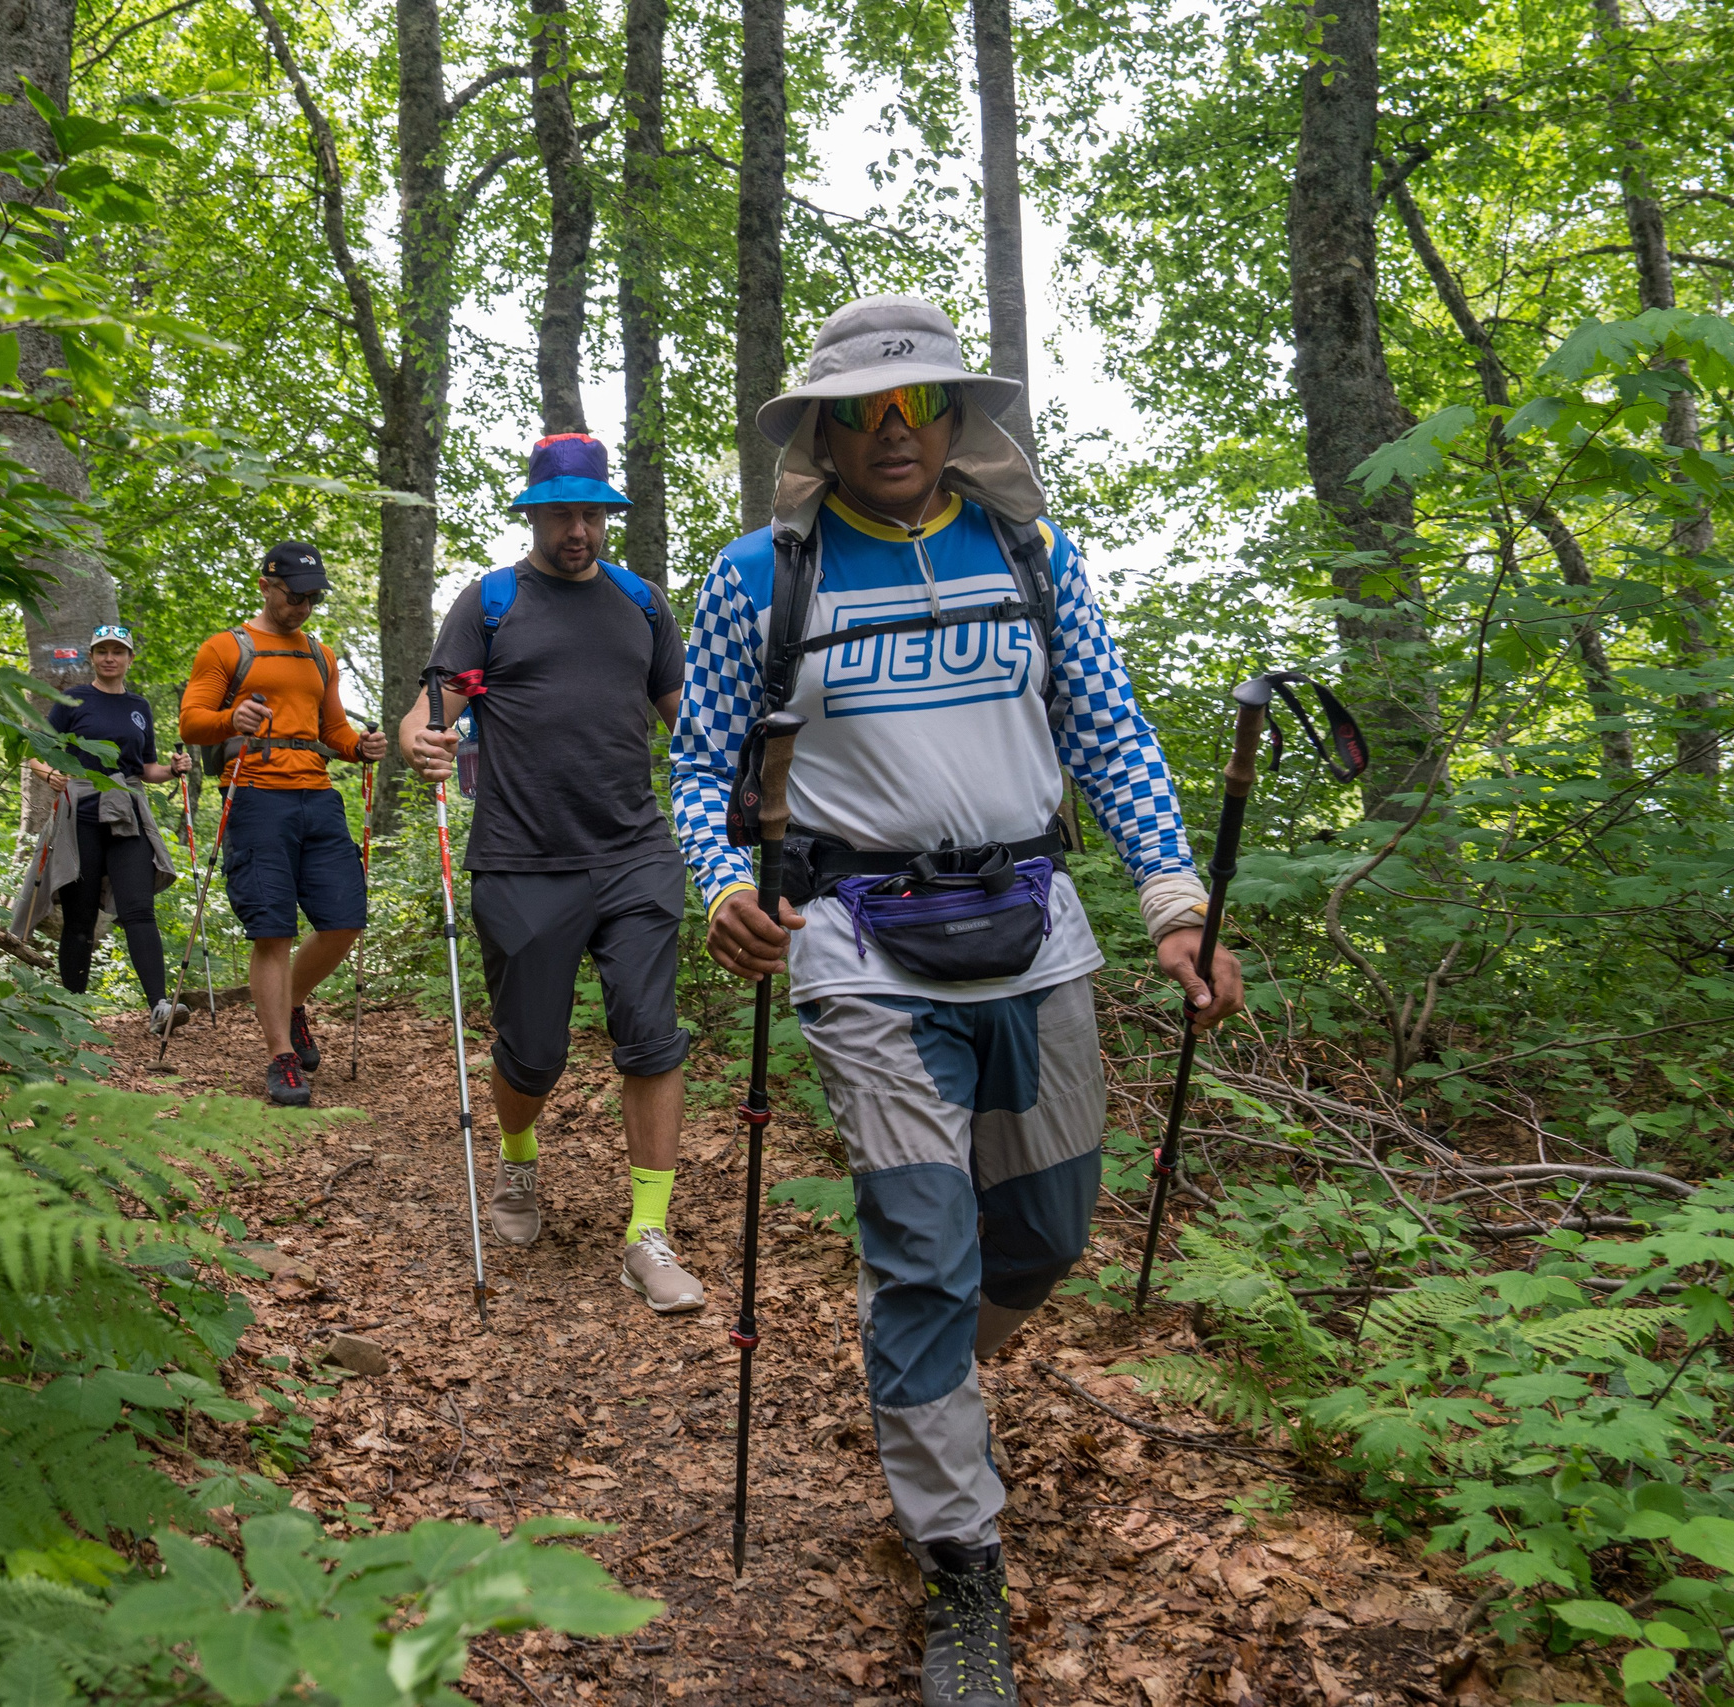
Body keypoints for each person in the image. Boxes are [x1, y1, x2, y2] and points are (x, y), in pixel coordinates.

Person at [670, 296, 1243, 1707]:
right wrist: (717, 884)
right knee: (923, 1249)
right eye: (860, 413)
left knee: (1041, 1238)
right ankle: (959, 1552)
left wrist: (1176, 901)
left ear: (952, 419)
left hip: (1035, 927)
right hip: (857, 939)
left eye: (913, 407)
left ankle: (932, 1381)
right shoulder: (764, 575)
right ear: (821, 431)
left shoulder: (1033, 556)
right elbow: (698, 771)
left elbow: (1106, 726)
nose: (890, 436)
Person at [398, 433, 703, 1316]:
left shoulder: (642, 603)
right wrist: (423, 734)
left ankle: (648, 1232)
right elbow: (435, 703)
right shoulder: (491, 602)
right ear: (532, 514)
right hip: (522, 858)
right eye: (561, 512)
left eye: (592, 512)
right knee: (533, 1056)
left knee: (650, 1034)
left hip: (634, 852)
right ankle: (518, 1152)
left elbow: (682, 712)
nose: (580, 528)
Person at [177, 542, 387, 1107]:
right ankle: (281, 1057)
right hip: (254, 795)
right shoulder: (225, 648)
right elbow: (193, 724)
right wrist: (231, 717)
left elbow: (334, 730)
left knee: (345, 919)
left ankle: (290, 1002)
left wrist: (361, 747)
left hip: (317, 795)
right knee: (272, 929)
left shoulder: (321, 655)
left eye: (313, 597)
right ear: (267, 586)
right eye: (296, 595)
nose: (304, 607)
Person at [16, 623, 191, 1031]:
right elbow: (37, 752)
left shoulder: (139, 706)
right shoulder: (73, 699)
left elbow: (145, 768)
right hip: (82, 811)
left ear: (130, 658)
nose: (110, 657)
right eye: (102, 651)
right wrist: (49, 777)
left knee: (138, 909)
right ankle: (72, 1013)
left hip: (126, 811)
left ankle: (160, 1007)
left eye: (118, 651)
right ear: (92, 657)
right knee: (79, 918)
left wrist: (171, 769)